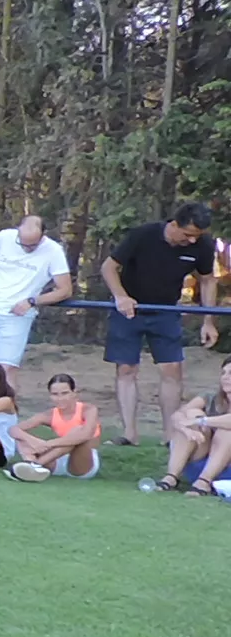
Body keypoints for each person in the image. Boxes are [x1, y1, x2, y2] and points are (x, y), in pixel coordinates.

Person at [100, 203, 220, 446]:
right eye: (187, 235)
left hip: (166, 311)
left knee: (172, 369)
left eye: (197, 236)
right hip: (130, 309)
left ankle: (170, 435)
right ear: (174, 224)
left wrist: (208, 321)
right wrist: (120, 296)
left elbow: (207, 280)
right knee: (126, 369)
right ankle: (129, 433)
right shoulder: (143, 235)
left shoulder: (203, 246)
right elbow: (109, 267)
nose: (191, 241)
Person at [0, 215, 73, 395]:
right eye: (23, 243)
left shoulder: (53, 251)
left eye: (32, 245)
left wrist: (33, 301)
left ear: (43, 235)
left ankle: (5, 417)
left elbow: (65, 290)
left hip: (17, 315)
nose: (27, 248)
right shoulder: (5, 237)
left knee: (7, 368)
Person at [151, 356, 231, 495]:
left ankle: (204, 482)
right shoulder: (211, 397)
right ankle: (171, 477)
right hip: (201, 459)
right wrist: (187, 429)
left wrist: (201, 421)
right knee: (191, 413)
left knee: (226, 430)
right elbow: (177, 416)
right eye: (223, 373)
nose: (225, 377)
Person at [7, 374, 102, 482]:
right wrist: (33, 441)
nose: (60, 398)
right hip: (56, 459)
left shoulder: (88, 409)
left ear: (74, 393)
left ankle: (35, 465)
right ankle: (31, 464)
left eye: (64, 393)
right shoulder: (49, 414)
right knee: (22, 437)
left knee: (77, 431)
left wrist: (48, 444)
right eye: (55, 394)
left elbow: (86, 434)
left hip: (81, 462)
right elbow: (13, 429)